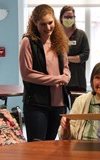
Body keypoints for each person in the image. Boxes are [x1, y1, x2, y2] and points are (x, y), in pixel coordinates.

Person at [19, 4, 70, 142]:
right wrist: (57, 79)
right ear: (35, 23)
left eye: (50, 23)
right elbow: (27, 74)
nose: (47, 28)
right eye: (43, 24)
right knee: (36, 148)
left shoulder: (59, 40)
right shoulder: (28, 42)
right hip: (37, 103)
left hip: (59, 104)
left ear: (54, 20)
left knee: (51, 145)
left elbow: (65, 67)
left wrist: (66, 76)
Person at [59, 5, 90, 93]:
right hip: (60, 79)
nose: (69, 19)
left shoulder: (81, 35)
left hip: (77, 80)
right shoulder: (56, 36)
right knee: (60, 106)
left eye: (71, 17)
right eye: (66, 17)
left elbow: (85, 55)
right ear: (61, 17)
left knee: (79, 106)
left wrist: (67, 59)